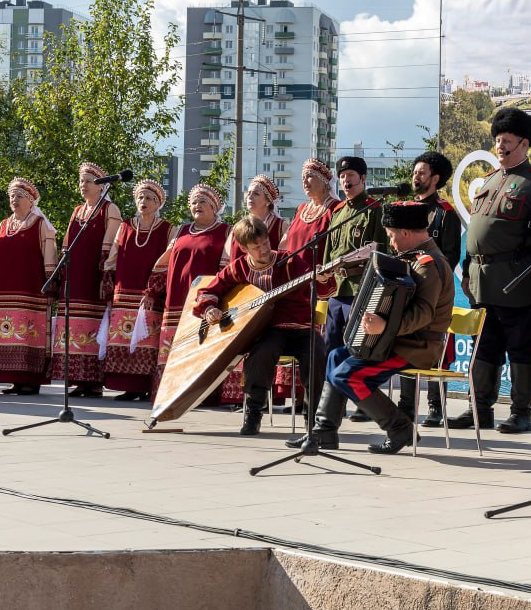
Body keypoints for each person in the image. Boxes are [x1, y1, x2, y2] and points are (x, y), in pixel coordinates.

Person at [456, 107, 531, 434]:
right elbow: (475, 233)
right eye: (497, 141)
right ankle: (480, 408)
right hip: (484, 283)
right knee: (484, 347)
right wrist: (466, 271)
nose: (500, 147)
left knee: (522, 348)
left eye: (506, 141)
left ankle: (521, 412)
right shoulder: (489, 181)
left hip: (522, 285)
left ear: (524, 143)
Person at [326, 201, 455, 454]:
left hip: (417, 346)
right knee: (335, 357)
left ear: (405, 232)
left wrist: (384, 326)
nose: (391, 243)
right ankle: (323, 433)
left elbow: (423, 315)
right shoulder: (413, 258)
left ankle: (399, 428)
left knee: (348, 375)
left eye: (391, 235)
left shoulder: (430, 264)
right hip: (399, 341)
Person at [193, 216, 332, 435]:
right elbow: (207, 290)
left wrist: (322, 278)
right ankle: (254, 414)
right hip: (269, 330)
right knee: (261, 353)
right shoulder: (239, 268)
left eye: (266, 243)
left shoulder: (291, 261)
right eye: (256, 247)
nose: (264, 250)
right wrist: (210, 308)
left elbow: (321, 288)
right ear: (243, 248)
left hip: (302, 328)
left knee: (317, 354)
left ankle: (312, 420)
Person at [287, 155, 387, 449]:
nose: (346, 181)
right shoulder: (339, 212)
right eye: (342, 176)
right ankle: (323, 424)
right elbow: (329, 252)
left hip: (360, 291)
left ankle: (360, 409)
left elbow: (379, 253)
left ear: (364, 179)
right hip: (336, 293)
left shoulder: (373, 210)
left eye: (352, 176)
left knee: (355, 353)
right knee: (329, 354)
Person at [396, 150, 462, 428]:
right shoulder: (406, 209)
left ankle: (436, 408)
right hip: (406, 291)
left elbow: (450, 256)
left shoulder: (445, 213)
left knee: (438, 352)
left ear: (435, 179)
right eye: (415, 171)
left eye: (422, 172)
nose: (416, 176)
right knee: (406, 345)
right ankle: (407, 408)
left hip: (434, 292)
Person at [146, 185, 231, 394]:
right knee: (173, 348)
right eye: (193, 202)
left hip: (204, 303)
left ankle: (201, 394)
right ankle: (169, 393)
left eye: (202, 202)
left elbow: (227, 268)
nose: (197, 206)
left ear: (213, 206)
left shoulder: (225, 232)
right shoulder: (182, 230)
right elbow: (162, 264)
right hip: (175, 300)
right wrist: (151, 292)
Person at [101, 179, 178, 401]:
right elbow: (112, 258)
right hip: (123, 290)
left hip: (149, 293)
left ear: (158, 204)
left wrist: (154, 290)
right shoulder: (125, 226)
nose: (144, 202)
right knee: (123, 339)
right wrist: (109, 287)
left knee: (147, 340)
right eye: (140, 198)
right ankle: (127, 386)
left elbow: (168, 263)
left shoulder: (167, 229)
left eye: (149, 198)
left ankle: (143, 387)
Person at [51, 162, 122, 398]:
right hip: (74, 276)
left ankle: (92, 382)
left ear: (101, 186)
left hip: (93, 277)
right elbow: (66, 244)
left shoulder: (109, 209)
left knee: (91, 325)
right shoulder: (77, 210)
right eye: (81, 181)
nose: (83, 185)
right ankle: (77, 379)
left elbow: (111, 249)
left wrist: (105, 277)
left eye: (88, 181)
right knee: (72, 325)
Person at [0, 178, 57, 395]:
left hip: (31, 290)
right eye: (12, 196)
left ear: (30, 201)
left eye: (19, 196)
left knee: (28, 334)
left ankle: (30, 380)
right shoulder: (4, 225)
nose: (14, 200)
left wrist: (50, 287)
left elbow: (50, 257)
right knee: (8, 333)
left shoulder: (40, 224)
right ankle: (14, 378)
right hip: (5, 290)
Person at [282, 158, 339, 276]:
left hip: (320, 280)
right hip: (293, 279)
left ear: (324, 181)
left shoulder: (336, 208)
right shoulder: (301, 209)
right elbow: (284, 244)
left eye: (309, 176)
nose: (305, 182)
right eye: (303, 178)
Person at [228, 175, 287, 263]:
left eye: (256, 194)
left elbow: (285, 258)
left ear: (268, 201)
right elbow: (231, 260)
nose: (250, 196)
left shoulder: (280, 226)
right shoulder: (238, 227)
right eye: (249, 193)